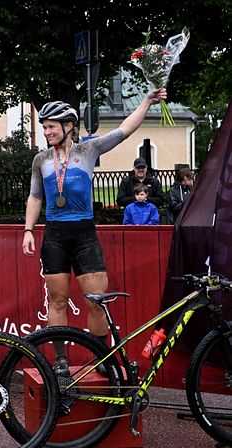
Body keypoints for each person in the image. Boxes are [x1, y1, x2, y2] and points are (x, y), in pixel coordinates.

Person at [22, 89, 166, 377]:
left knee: (96, 301)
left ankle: (102, 359)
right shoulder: (41, 160)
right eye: (44, 126)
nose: (46, 131)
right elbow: (35, 197)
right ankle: (61, 362)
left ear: (68, 126)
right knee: (58, 301)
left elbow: (125, 130)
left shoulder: (88, 150)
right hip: (55, 236)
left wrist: (147, 101)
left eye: (51, 126)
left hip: (85, 234)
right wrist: (28, 230)